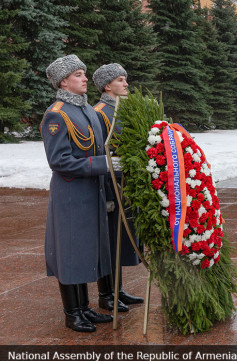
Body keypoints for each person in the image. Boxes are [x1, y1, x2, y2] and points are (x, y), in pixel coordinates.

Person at [42, 54, 116, 332]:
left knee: (86, 250)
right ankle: (72, 313)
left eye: (84, 74)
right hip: (71, 195)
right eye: (78, 75)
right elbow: (59, 161)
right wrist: (102, 165)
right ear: (64, 81)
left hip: (91, 192)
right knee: (71, 252)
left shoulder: (85, 110)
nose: (85, 79)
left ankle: (85, 308)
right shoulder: (57, 114)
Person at [92, 64, 144, 312]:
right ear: (106, 86)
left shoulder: (122, 107)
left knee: (121, 239)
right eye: (120, 80)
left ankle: (118, 290)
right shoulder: (100, 112)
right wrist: (104, 195)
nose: (125, 84)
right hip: (112, 184)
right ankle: (106, 295)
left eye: (125, 79)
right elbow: (99, 152)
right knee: (110, 240)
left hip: (127, 184)